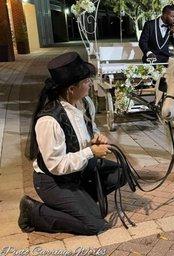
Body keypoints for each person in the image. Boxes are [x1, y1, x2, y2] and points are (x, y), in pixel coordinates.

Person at [18, 52, 126, 235]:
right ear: (71, 89)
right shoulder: (49, 121)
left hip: (77, 172)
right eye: (86, 82)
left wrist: (96, 137)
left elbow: (90, 130)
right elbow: (56, 165)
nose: (90, 84)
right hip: (53, 181)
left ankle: (80, 203)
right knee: (95, 225)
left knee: (121, 173)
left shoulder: (85, 102)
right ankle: (33, 212)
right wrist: (90, 152)